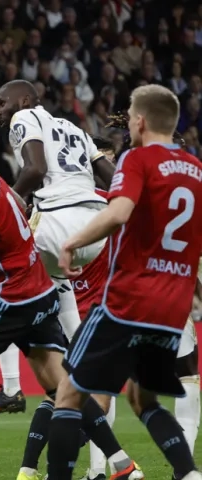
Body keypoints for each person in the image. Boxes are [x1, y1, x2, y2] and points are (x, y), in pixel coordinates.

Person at [0, 133, 140, 480]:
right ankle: (123, 465)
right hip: (42, 291)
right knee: (63, 389)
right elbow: (18, 207)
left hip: (15, 298)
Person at [48, 85, 202, 480]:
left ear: (143, 121)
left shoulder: (137, 158)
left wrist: (73, 242)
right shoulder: (196, 172)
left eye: (132, 114)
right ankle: (189, 475)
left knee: (68, 393)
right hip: (172, 308)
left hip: (128, 298)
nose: (130, 120)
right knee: (142, 398)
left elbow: (118, 212)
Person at [0, 79, 118, 416]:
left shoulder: (24, 118)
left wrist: (6, 203)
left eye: (2, 103)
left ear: (25, 100)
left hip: (59, 221)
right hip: (93, 232)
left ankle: (11, 388)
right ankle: (83, 356)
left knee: (3, 280)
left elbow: (35, 169)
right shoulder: (73, 127)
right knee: (56, 284)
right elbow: (112, 177)